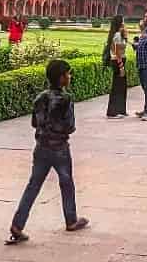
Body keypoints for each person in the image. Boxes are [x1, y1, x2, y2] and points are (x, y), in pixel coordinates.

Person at [6, 58, 89, 243]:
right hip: (60, 148)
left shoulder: (40, 98)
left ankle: (17, 224)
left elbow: (34, 123)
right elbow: (70, 126)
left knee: (33, 185)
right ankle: (71, 219)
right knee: (66, 182)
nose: (70, 76)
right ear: (61, 78)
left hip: (41, 147)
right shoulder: (66, 99)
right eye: (68, 73)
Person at [106, 14, 129, 118]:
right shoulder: (117, 35)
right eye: (123, 21)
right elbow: (117, 52)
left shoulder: (120, 34)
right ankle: (112, 112)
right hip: (117, 61)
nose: (124, 23)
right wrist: (121, 67)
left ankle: (121, 110)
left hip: (120, 60)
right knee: (117, 87)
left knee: (122, 86)